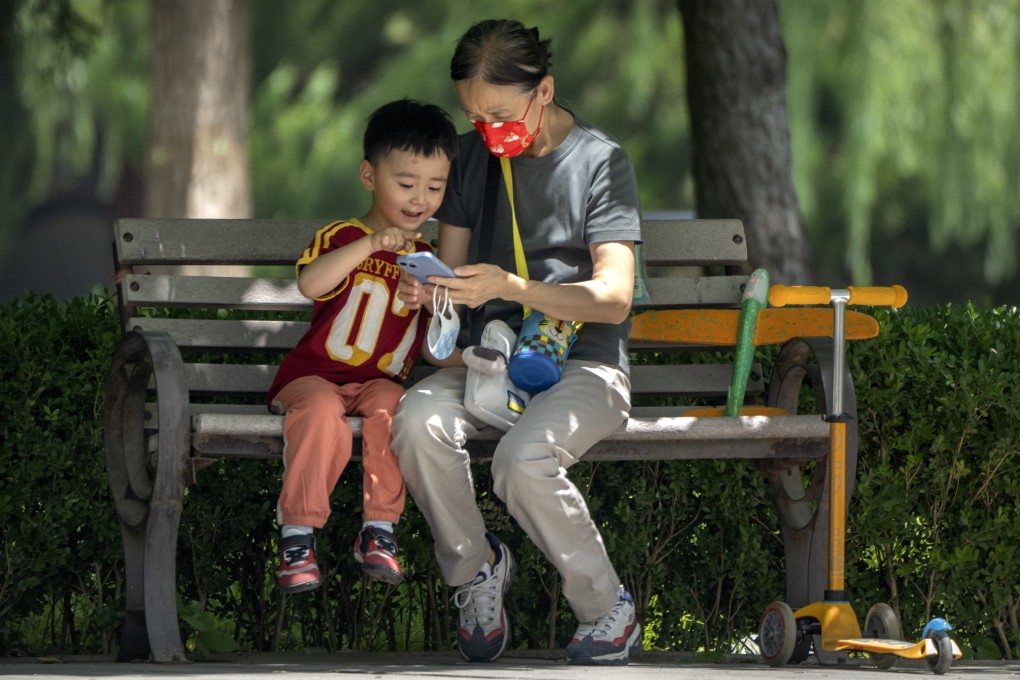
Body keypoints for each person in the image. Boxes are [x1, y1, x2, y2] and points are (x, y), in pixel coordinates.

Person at [392, 19, 643, 666]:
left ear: (545, 90)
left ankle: (605, 607)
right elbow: (449, 277)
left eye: (499, 115)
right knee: (417, 419)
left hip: (585, 364)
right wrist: (435, 300)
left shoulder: (599, 162)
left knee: (521, 460)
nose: (486, 131)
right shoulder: (471, 159)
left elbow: (614, 294)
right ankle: (476, 572)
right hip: (489, 362)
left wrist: (515, 287)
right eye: (474, 117)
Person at [267, 98, 460, 593]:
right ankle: (298, 534)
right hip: (315, 377)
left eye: (434, 187)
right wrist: (371, 245)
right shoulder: (344, 237)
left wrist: (427, 302)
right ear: (369, 175)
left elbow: (439, 343)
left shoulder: (426, 258)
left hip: (379, 384)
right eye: (406, 183)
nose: (420, 199)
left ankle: (379, 530)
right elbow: (312, 284)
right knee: (319, 411)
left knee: (397, 411)